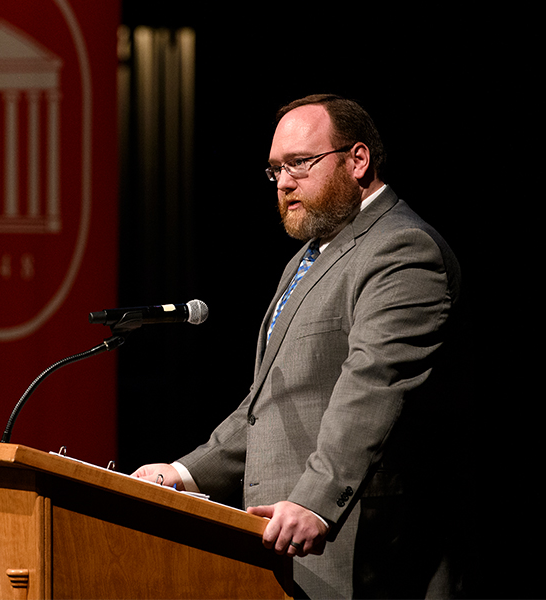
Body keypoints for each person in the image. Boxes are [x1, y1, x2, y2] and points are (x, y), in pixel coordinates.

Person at [131, 94, 462, 599]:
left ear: (357, 160)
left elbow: (373, 385)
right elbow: (268, 405)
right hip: (280, 547)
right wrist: (182, 473)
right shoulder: (309, 258)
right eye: (275, 170)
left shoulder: (402, 248)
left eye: (299, 164)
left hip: (356, 547)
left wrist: (316, 501)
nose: (284, 182)